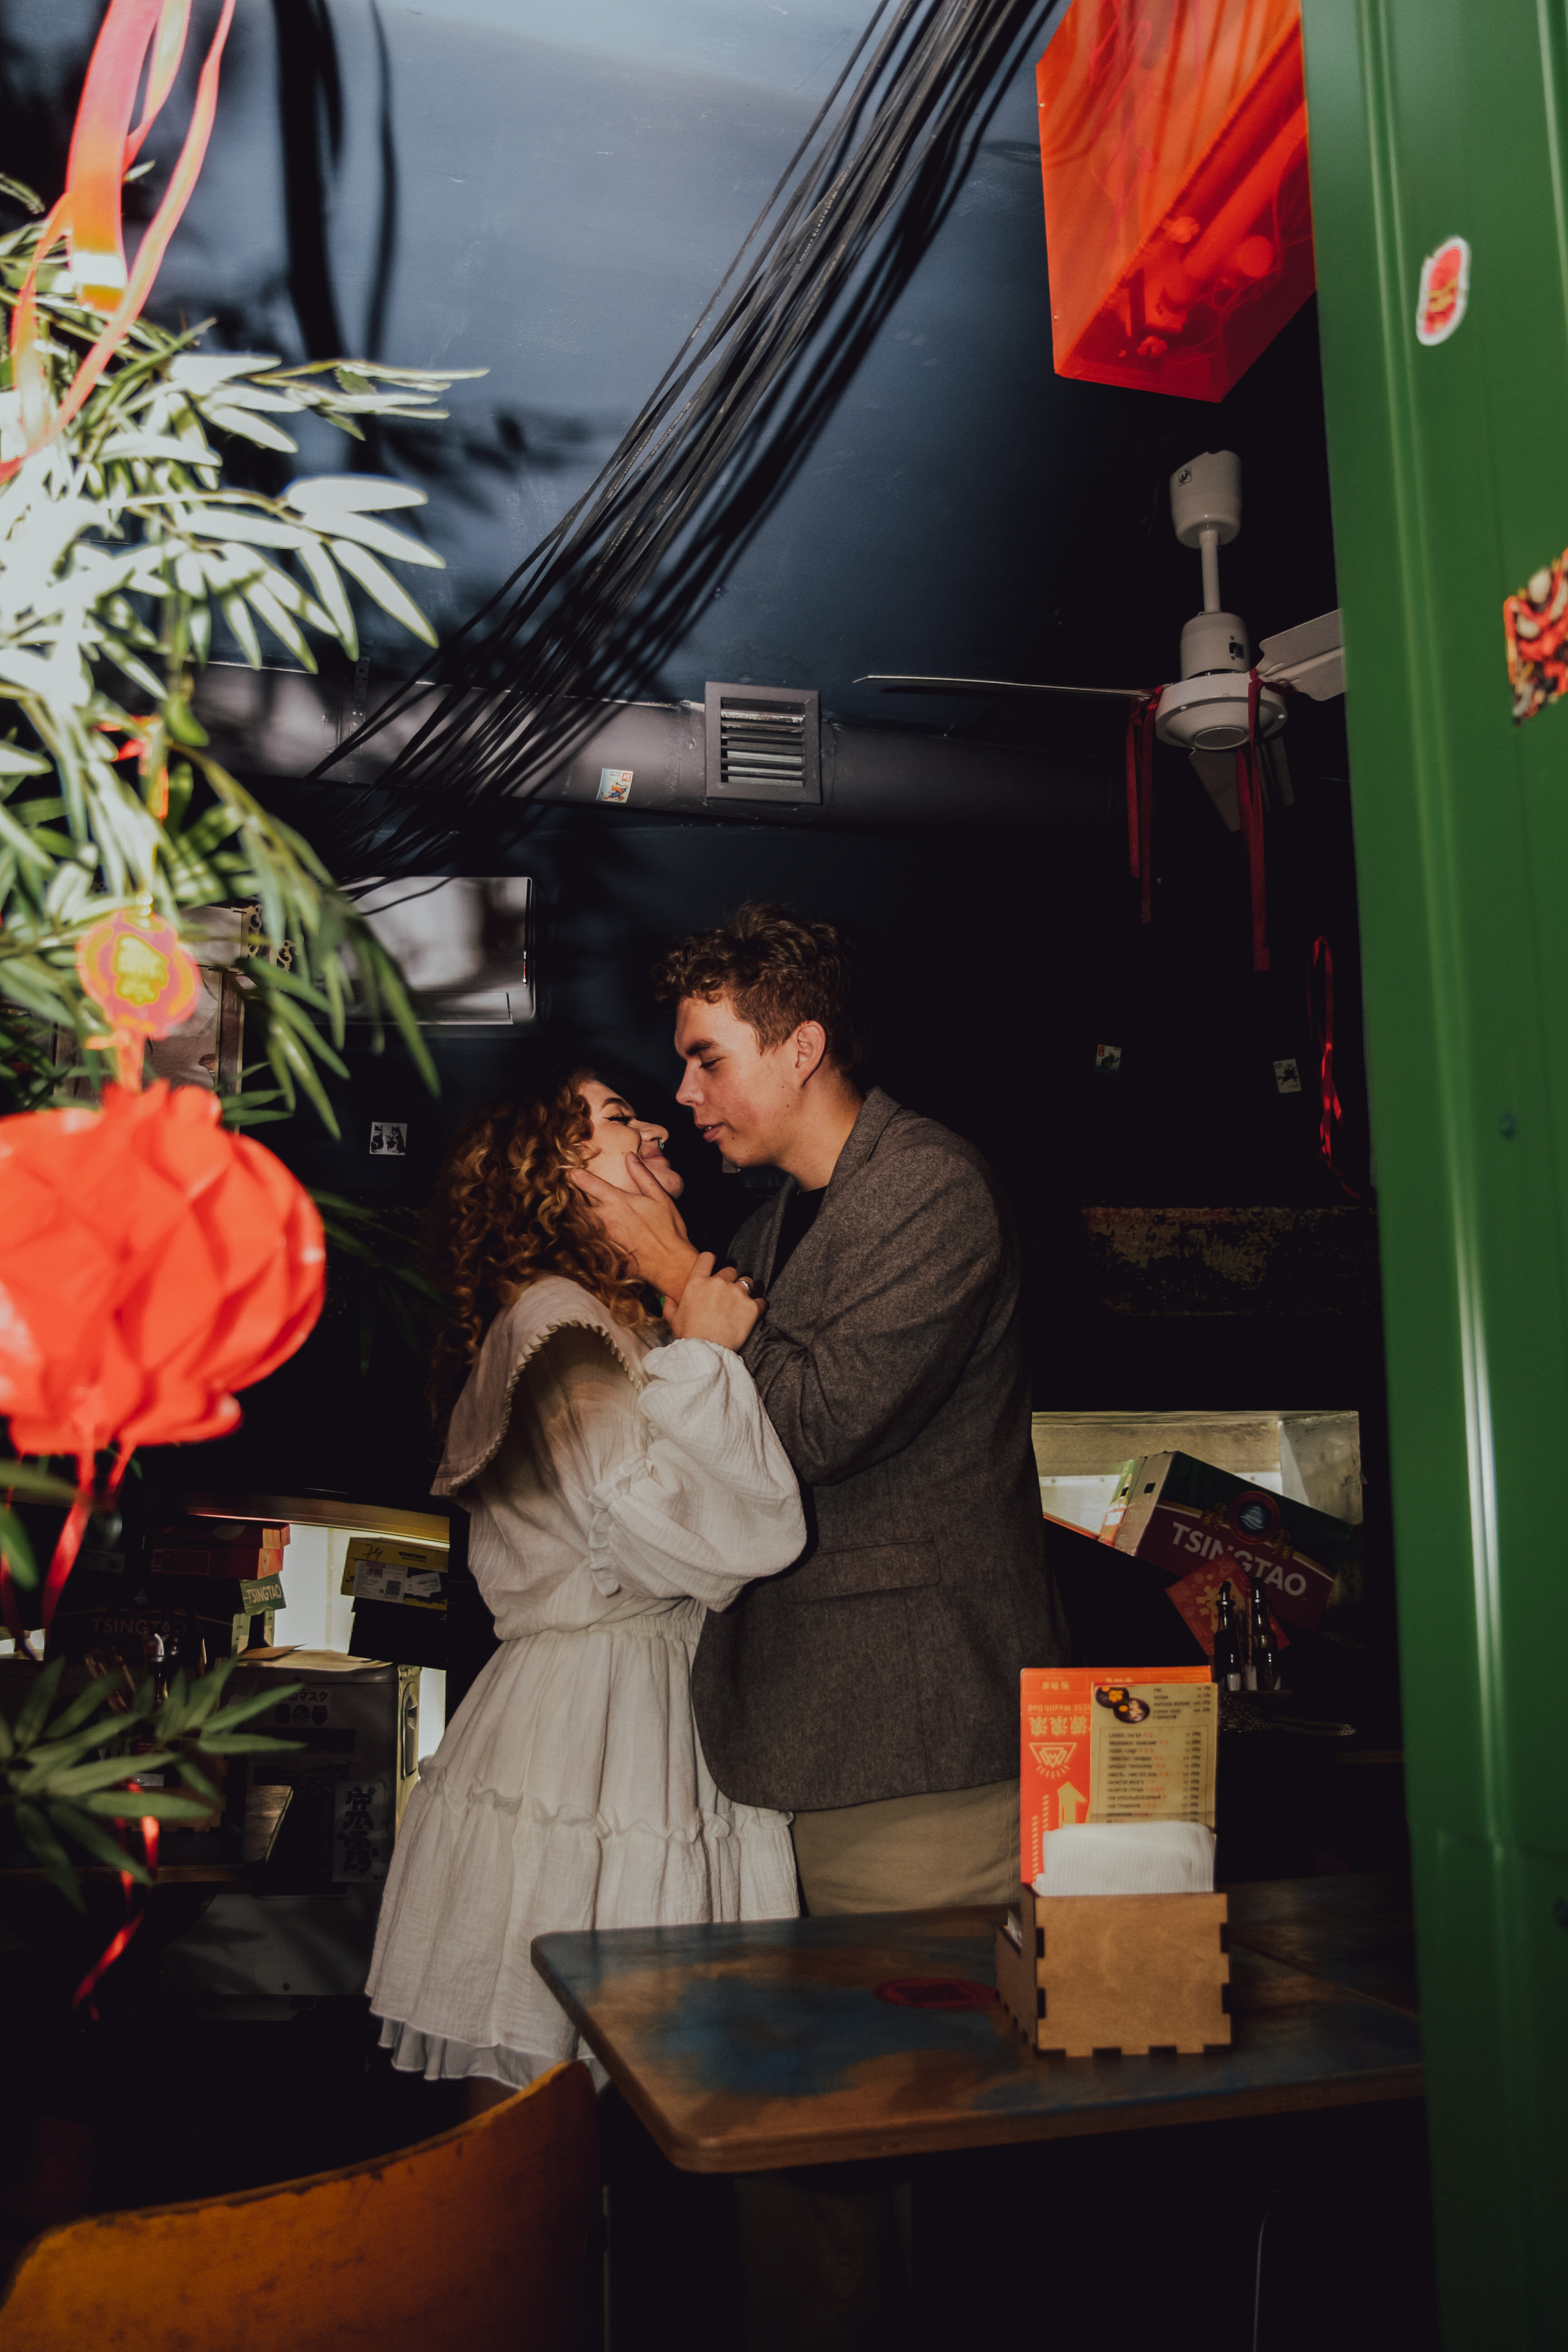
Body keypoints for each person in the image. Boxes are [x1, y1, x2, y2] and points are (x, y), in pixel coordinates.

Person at [573, 903, 1068, 1919]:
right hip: (814, 1738)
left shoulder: (932, 1188)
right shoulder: (771, 1221)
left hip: (917, 1736)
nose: (683, 1092)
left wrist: (673, 1271)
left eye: (708, 1060)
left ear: (803, 1049)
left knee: (923, 2061)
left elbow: (814, 1428)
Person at [366, 1061, 806, 2103]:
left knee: (601, 2090)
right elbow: (672, 1540)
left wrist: (681, 1327)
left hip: (638, 1698)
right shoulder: (560, 1321)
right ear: (555, 1174)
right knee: (545, 2084)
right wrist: (705, 1351)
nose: (657, 1122)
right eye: (617, 1118)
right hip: (595, 1720)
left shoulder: (609, 1314)